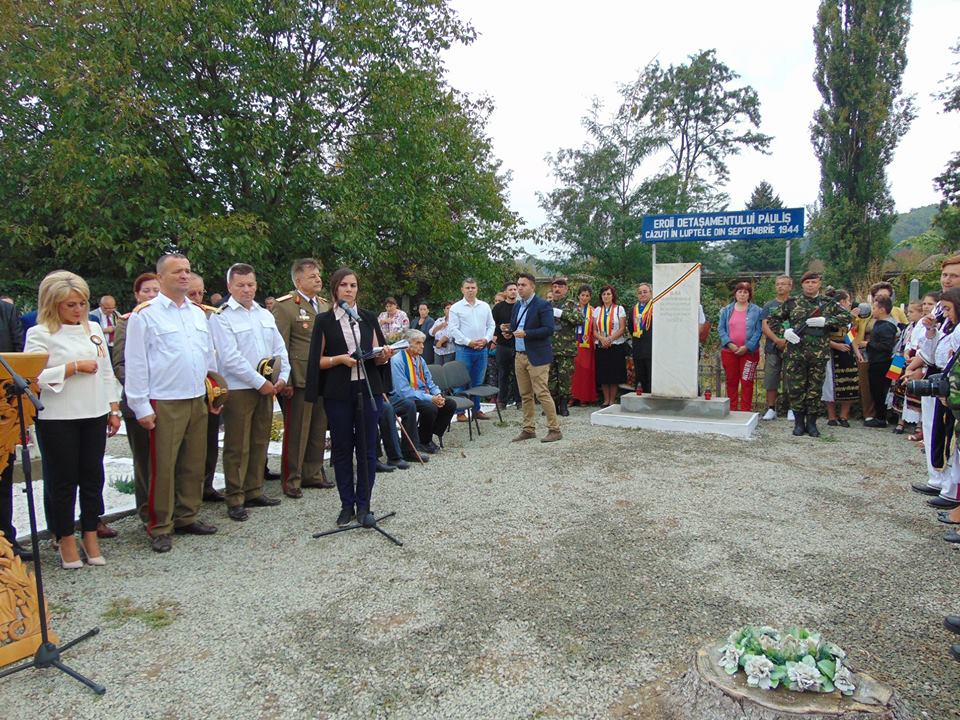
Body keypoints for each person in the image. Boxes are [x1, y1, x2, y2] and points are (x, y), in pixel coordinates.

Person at [124, 253, 220, 553]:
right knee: (162, 467)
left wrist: (214, 392)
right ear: (160, 277)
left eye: (187, 271)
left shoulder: (197, 313)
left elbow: (208, 357)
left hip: (196, 397)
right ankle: (160, 525)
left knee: (193, 462)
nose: (184, 276)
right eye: (177, 271)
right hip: (165, 399)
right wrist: (141, 406)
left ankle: (187, 515)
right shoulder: (145, 315)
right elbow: (136, 363)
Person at [24, 271, 121, 568]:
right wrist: (72, 367)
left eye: (81, 303)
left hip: (94, 412)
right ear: (53, 304)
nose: (78, 310)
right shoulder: (39, 333)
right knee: (63, 480)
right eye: (70, 305)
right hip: (58, 416)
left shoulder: (93, 327)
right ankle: (65, 536)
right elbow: (31, 376)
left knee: (92, 477)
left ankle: (90, 533)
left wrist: (113, 408)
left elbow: (106, 370)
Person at [305, 267, 394, 527]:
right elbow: (317, 361)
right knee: (343, 449)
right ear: (335, 288)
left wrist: (384, 355)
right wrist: (339, 360)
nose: (349, 289)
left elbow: (377, 354)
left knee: (367, 450)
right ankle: (347, 505)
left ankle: (364, 505)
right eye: (344, 285)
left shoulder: (366, 318)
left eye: (353, 285)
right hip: (339, 392)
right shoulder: (324, 320)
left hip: (367, 389)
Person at [210, 263, 289, 521]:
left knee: (259, 440)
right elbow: (230, 357)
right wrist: (259, 382)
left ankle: (254, 490)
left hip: (266, 387)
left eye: (250, 284)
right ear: (230, 286)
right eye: (241, 285)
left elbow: (280, 348)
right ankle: (235, 497)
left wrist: (283, 377)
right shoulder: (221, 316)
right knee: (237, 445)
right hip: (240, 388)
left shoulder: (264, 314)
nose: (246, 289)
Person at [271, 258, 333, 499]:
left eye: (318, 275)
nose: (318, 279)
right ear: (298, 280)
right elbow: (280, 346)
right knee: (297, 431)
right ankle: (292, 478)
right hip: (299, 377)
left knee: (318, 428)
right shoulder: (285, 306)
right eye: (312, 276)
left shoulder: (325, 305)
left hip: (323, 377)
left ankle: (313, 473)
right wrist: (284, 380)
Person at [767, 271, 851, 438]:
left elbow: (847, 317)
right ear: (802, 284)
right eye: (807, 282)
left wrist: (826, 321)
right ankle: (799, 423)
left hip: (818, 354)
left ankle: (812, 424)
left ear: (819, 284)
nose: (810, 285)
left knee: (815, 389)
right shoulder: (792, 302)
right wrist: (785, 332)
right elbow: (773, 319)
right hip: (796, 353)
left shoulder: (827, 303)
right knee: (796, 389)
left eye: (814, 282)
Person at [111, 272, 162, 525]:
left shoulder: (166, 318)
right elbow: (120, 364)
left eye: (156, 290)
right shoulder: (127, 321)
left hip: (167, 399)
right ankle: (147, 511)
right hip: (139, 401)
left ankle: (168, 509)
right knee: (145, 462)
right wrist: (143, 390)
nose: (151, 295)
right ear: (136, 295)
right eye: (146, 291)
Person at [909, 278, 960, 510]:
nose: (947, 279)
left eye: (953, 275)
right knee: (934, 430)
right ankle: (938, 479)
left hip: (951, 380)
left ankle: (951, 490)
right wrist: (931, 331)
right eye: (944, 275)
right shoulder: (945, 322)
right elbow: (931, 351)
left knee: (950, 436)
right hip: (938, 374)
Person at [185, 273, 226, 502]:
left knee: (210, 440)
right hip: (184, 390)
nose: (197, 297)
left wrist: (216, 388)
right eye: (192, 293)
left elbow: (213, 355)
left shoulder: (209, 315)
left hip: (208, 388)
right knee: (189, 447)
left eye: (201, 293)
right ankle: (188, 494)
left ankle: (207, 485)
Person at [510, 273, 561, 443]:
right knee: (525, 394)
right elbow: (515, 326)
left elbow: (548, 329)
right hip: (520, 355)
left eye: (523, 285)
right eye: (518, 285)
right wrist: (508, 330)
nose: (519, 288)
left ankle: (554, 429)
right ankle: (528, 429)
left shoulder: (543, 305)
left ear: (532, 287)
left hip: (537, 356)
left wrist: (527, 333)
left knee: (542, 393)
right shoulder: (517, 306)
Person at [0, 295, 31, 561]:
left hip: (3, 411)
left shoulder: (5, 311)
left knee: (3, 480)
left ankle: (6, 542)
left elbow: (20, 356)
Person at [390, 330, 457, 451]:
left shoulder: (420, 359)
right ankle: (424, 441)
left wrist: (438, 395)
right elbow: (404, 391)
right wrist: (431, 398)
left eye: (422, 343)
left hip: (422, 394)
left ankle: (424, 435)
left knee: (449, 404)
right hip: (405, 398)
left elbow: (429, 382)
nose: (422, 346)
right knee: (430, 407)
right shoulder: (397, 361)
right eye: (418, 343)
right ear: (407, 344)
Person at [447, 278, 495, 419]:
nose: (470, 290)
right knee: (460, 381)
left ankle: (476, 410)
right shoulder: (456, 308)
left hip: (482, 349)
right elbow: (453, 329)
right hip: (464, 350)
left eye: (473, 287)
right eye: (467, 287)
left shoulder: (484, 306)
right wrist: (469, 342)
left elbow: (491, 325)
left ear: (477, 289)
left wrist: (486, 339)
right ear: (462, 290)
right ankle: (460, 412)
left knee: (478, 382)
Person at [718, 281, 763, 412]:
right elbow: (721, 329)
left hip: (749, 353)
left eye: (745, 292)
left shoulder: (757, 311)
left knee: (747, 381)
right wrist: (730, 344)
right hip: (729, 351)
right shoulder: (726, 310)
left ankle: (745, 411)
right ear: (735, 293)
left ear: (749, 295)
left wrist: (747, 346)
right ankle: (731, 410)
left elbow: (759, 331)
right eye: (740, 291)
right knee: (731, 381)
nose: (742, 294)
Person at [760, 275, 795, 421]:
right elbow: (765, 326)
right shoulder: (769, 305)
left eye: (783, 284)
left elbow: (800, 324)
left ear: (790, 286)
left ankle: (791, 409)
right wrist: (776, 340)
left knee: (791, 378)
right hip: (772, 347)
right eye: (778, 284)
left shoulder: (796, 304)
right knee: (771, 378)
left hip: (792, 347)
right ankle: (771, 408)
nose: (780, 286)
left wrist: (787, 341)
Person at [822, 290, 858, 427]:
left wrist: (857, 352)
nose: (849, 303)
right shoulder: (828, 315)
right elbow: (822, 336)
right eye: (848, 300)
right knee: (829, 383)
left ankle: (844, 416)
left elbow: (851, 335)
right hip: (831, 351)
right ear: (842, 301)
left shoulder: (849, 317)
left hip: (847, 351)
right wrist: (836, 345)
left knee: (849, 381)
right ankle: (831, 416)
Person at [862, 295, 899, 428]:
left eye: (874, 308)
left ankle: (881, 417)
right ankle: (879, 415)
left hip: (882, 362)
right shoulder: (880, 323)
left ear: (882, 310)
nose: (873, 311)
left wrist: (868, 344)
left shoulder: (887, 326)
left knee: (880, 389)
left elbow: (886, 346)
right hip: (876, 361)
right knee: (875, 389)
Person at [889, 300, 924, 434]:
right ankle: (900, 421)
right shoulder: (908, 328)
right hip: (901, 359)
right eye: (908, 311)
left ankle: (918, 424)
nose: (908, 314)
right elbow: (902, 346)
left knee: (916, 394)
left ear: (921, 313)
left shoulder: (922, 328)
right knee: (898, 390)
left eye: (911, 312)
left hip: (916, 362)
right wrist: (895, 368)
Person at [548, 277, 581, 416]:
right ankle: (552, 406)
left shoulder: (571, 304)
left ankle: (563, 405)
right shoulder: (547, 305)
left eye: (560, 287)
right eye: (555, 287)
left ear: (566, 289)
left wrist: (562, 314)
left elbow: (580, 319)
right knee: (550, 379)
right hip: (549, 348)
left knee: (565, 378)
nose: (557, 289)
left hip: (566, 349)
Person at [593, 284, 627, 408]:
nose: (606, 296)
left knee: (614, 374)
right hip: (601, 345)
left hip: (616, 345)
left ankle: (612, 400)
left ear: (613, 296)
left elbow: (622, 328)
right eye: (604, 294)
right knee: (603, 374)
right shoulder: (597, 310)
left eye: (608, 294)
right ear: (601, 296)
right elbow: (594, 330)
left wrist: (610, 339)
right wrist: (602, 339)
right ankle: (606, 400)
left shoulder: (619, 309)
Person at [492, 283, 519, 409]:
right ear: (505, 292)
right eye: (510, 289)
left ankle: (519, 400)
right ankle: (502, 400)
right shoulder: (498, 308)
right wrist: (500, 328)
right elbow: (491, 325)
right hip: (502, 345)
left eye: (515, 289)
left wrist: (512, 332)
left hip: (517, 344)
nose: (513, 291)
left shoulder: (521, 306)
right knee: (503, 373)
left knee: (519, 374)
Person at [571, 285, 597, 406]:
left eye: (587, 295)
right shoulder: (572, 309)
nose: (584, 298)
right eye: (582, 295)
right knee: (572, 371)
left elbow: (595, 328)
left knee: (585, 370)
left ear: (590, 297)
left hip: (587, 344)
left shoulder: (593, 311)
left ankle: (584, 397)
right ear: (578, 296)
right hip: (573, 343)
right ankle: (572, 396)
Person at [628, 283, 653, 395]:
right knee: (640, 377)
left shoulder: (656, 308)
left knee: (651, 377)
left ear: (651, 293)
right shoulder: (633, 309)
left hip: (652, 348)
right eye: (640, 292)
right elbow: (630, 327)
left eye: (645, 292)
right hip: (638, 348)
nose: (642, 294)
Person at [430, 301, 457, 366]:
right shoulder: (439, 320)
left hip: (449, 350)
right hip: (437, 351)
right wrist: (441, 325)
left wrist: (440, 342)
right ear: (444, 310)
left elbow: (451, 334)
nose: (449, 310)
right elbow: (431, 332)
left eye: (451, 308)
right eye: (447, 308)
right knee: (438, 369)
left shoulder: (455, 321)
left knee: (448, 369)